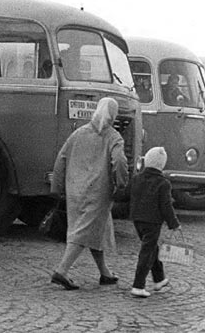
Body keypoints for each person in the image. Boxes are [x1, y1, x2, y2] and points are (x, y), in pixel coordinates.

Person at [50, 97, 129, 290]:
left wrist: (57, 187)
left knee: (97, 230)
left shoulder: (78, 133)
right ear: (113, 114)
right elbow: (119, 162)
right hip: (98, 192)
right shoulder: (113, 137)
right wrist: (121, 183)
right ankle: (62, 271)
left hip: (75, 191)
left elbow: (61, 159)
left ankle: (105, 273)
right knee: (84, 232)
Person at [128, 147, 180, 298]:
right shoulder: (163, 183)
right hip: (153, 221)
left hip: (137, 220)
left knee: (152, 249)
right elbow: (166, 206)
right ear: (162, 165)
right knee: (147, 252)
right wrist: (174, 223)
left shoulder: (136, 178)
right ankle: (138, 285)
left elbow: (127, 194)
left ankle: (159, 279)